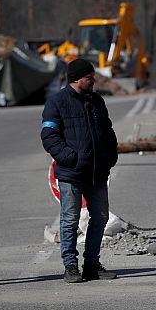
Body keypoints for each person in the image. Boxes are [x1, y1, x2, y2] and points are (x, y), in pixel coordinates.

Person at [41, 58, 118, 283]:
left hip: (97, 172)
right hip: (71, 173)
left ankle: (92, 264)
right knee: (70, 220)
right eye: (89, 77)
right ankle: (70, 266)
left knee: (101, 216)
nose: (93, 80)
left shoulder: (97, 101)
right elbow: (49, 137)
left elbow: (108, 130)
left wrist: (110, 156)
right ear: (76, 79)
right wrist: (69, 158)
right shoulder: (56, 103)